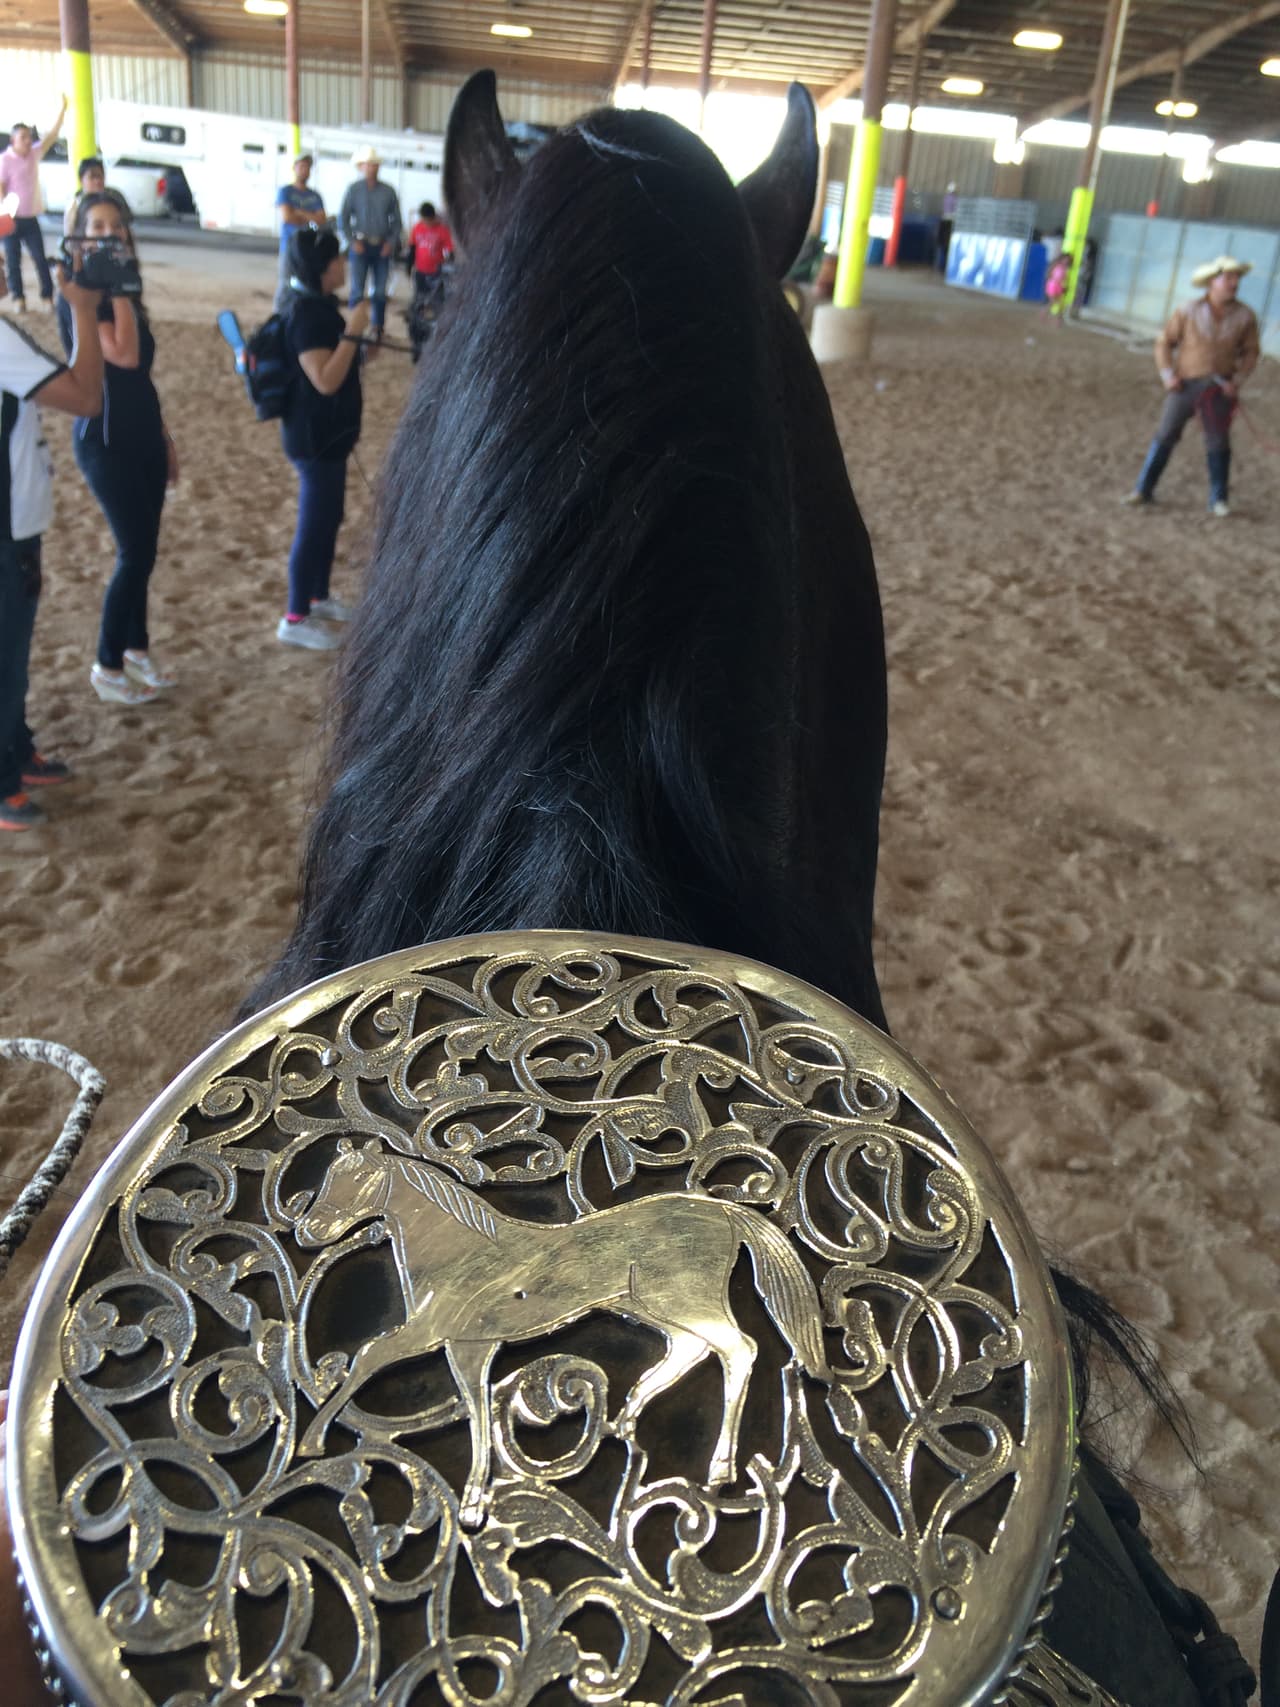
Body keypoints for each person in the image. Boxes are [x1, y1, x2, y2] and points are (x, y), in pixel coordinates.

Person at [55, 194, 179, 704]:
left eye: (116, 226)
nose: (108, 234)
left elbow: (142, 377)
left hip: (143, 433)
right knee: (134, 552)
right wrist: (121, 287)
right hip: (104, 441)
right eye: (97, 226)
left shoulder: (126, 291)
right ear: (81, 236)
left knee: (145, 551)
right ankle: (107, 664)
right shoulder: (83, 296)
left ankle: (136, 650)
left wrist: (164, 437)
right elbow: (123, 356)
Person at [1, 248, 104, 831]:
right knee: (6, 654)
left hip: (16, 518)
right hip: (6, 524)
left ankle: (16, 750)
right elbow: (84, 397)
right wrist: (83, 312)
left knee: (12, 649)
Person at [276, 226, 368, 651]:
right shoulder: (307, 314)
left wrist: (363, 342)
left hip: (331, 438)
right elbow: (325, 379)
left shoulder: (322, 307)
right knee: (313, 525)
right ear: (323, 268)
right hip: (312, 439)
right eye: (337, 260)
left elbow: (343, 364)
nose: (343, 265)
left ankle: (319, 595)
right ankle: (295, 616)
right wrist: (353, 331)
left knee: (330, 518)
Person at [1123, 254, 1260, 518]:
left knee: (1218, 441)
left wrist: (1238, 380)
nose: (1234, 283)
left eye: (1236, 278)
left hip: (1219, 388)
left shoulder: (1245, 316)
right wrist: (1167, 375)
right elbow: (1164, 342)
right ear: (1213, 281)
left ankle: (1218, 499)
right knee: (1165, 434)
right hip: (1184, 385)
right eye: (1228, 277)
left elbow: (1251, 352)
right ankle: (1143, 489)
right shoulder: (1187, 310)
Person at [0, 98, 67, 313]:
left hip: (31, 217)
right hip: (10, 219)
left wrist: (62, 109)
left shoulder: (34, 154)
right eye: (23, 137)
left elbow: (52, 136)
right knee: (13, 261)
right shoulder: (5, 160)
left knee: (40, 258)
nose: (28, 141)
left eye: (29, 137)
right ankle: (19, 299)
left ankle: (47, 297)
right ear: (13, 140)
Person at [339, 145, 401, 335]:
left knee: (380, 291)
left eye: (374, 165)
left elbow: (397, 221)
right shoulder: (353, 190)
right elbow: (344, 218)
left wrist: (390, 242)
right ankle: (355, 329)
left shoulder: (389, 191)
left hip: (381, 245)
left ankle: (377, 327)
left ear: (378, 167)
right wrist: (351, 241)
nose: (371, 168)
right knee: (357, 289)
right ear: (361, 167)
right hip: (360, 245)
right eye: (367, 165)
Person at [274, 151, 325, 312]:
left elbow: (321, 220)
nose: (304, 170)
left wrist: (299, 213)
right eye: (301, 166)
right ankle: (279, 317)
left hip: (309, 249)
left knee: (307, 285)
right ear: (295, 168)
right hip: (289, 246)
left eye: (307, 167)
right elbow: (288, 217)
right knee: (285, 284)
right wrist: (310, 216)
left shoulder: (315, 195)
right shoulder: (286, 191)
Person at [63, 155, 130, 238]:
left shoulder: (115, 196)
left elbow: (127, 226)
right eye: (92, 177)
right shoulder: (74, 204)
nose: (97, 181)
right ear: (81, 180)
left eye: (99, 176)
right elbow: (69, 234)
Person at [406, 200, 452, 293]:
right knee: (420, 298)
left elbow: (449, 250)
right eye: (425, 220)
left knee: (437, 299)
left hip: (436, 272)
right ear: (422, 218)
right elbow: (412, 248)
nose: (427, 223)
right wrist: (409, 266)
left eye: (429, 220)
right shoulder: (417, 228)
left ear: (433, 217)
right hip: (420, 271)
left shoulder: (442, 230)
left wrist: (447, 263)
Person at [1044, 249, 1072, 320]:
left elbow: (1064, 278)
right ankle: (1053, 317)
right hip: (1053, 284)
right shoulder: (1057, 265)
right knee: (1053, 302)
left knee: (1056, 303)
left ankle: (1051, 317)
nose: (1066, 261)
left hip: (1058, 285)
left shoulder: (1065, 268)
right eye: (1065, 259)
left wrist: (1065, 286)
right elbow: (1050, 274)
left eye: (1067, 260)